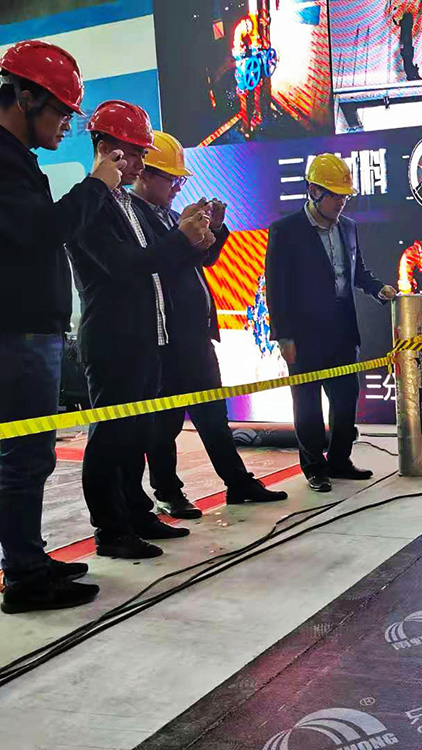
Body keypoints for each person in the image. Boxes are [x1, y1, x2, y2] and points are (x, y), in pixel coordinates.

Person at [0, 41, 125, 614]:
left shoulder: (17, 159)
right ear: (25, 98)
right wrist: (97, 185)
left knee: (32, 456)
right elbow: (41, 233)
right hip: (17, 333)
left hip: (31, 331)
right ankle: (25, 577)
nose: (66, 126)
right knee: (23, 459)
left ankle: (29, 560)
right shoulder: (3, 161)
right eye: (61, 112)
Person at [67, 100, 217, 560]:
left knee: (135, 436)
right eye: (130, 154)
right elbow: (125, 266)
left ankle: (135, 512)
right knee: (111, 439)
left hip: (146, 340)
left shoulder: (125, 205)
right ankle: (110, 529)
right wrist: (180, 238)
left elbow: (155, 262)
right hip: (113, 341)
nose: (136, 164)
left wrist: (189, 238)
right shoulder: (91, 204)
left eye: (140, 154)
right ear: (103, 147)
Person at [132, 130, 287, 519]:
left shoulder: (169, 215)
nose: (176, 188)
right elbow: (154, 265)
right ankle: (168, 491)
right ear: (144, 174)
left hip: (196, 336)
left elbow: (201, 260)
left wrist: (214, 229)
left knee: (214, 417)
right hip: (165, 339)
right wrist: (183, 235)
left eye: (180, 181)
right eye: (172, 180)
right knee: (164, 423)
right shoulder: (134, 217)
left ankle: (238, 482)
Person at [265, 154, 397, 491]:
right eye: (335, 195)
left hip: (342, 331)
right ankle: (314, 467)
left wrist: (377, 289)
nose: (340, 203)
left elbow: (357, 271)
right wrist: (284, 338)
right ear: (313, 191)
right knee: (307, 403)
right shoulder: (286, 231)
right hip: (304, 336)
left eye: (344, 196)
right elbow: (276, 289)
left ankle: (339, 460)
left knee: (345, 398)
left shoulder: (348, 227)